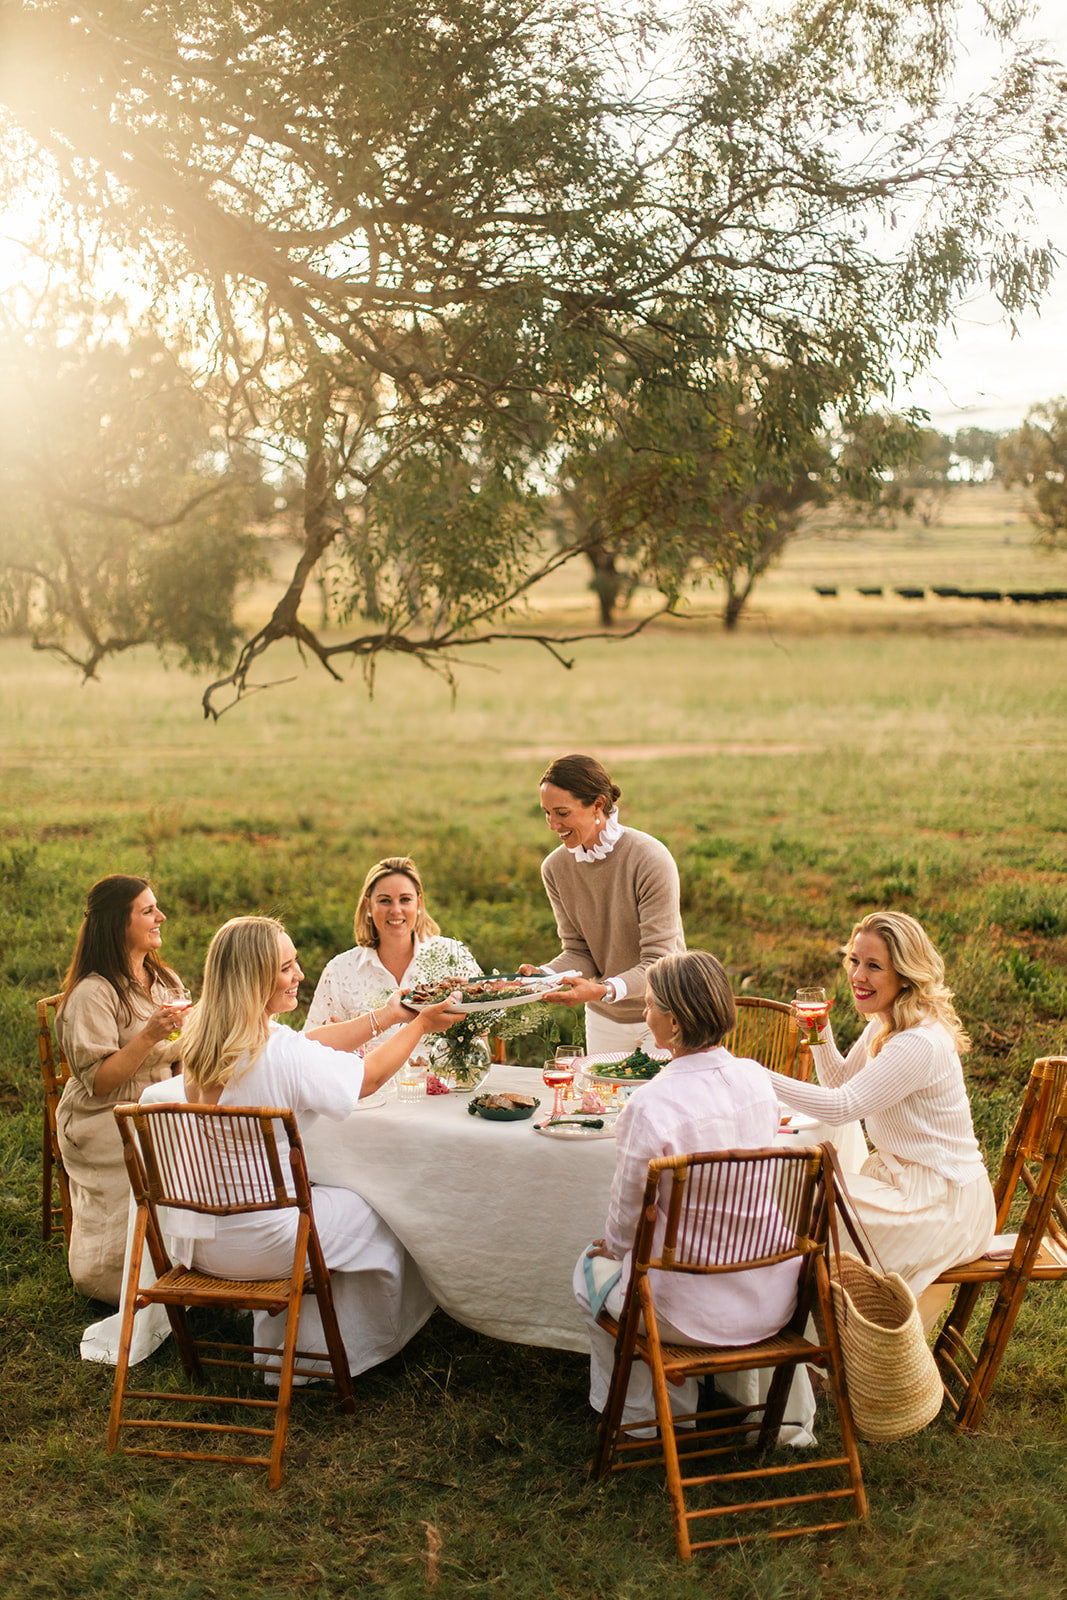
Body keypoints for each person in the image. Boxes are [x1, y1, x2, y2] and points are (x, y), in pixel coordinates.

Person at [178, 916, 461, 1375]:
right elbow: (365, 1079)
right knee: (390, 1212)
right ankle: (337, 1352)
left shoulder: (203, 1043)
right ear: (253, 978)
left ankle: (286, 1349)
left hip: (201, 1240)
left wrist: (388, 1017)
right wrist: (421, 1027)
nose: (300, 975)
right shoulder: (279, 1054)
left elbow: (305, 1043)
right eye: (287, 967)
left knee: (340, 1202)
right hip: (269, 1243)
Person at [573, 951, 811, 1436]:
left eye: (650, 1006)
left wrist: (612, 1249)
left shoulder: (650, 1103)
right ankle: (764, 1414)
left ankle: (646, 1421)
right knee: (635, 1259)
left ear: (675, 1023)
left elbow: (626, 1217)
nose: (644, 1014)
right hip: (772, 1291)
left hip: (683, 1312)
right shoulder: (755, 1079)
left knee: (592, 1268)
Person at [768, 911, 996, 1331]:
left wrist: (755, 1075)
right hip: (909, 1184)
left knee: (803, 1210)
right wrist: (820, 1033)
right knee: (795, 1196)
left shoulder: (917, 1042)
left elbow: (840, 1106)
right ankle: (811, 1339)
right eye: (854, 960)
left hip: (946, 1203)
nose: (858, 975)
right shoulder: (886, 1022)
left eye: (874, 966)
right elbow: (841, 1080)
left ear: (906, 975)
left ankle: (818, 1342)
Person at [55, 874, 191, 1304]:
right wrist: (150, 1036)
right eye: (148, 910)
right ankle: (111, 1281)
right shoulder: (93, 993)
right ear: (119, 923)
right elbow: (98, 1082)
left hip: (160, 1104)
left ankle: (192, 1269)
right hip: (105, 1116)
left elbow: (182, 1047)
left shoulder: (162, 978)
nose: (161, 917)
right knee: (162, 1161)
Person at [522, 753, 685, 1054]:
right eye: (546, 813)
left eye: (562, 813)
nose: (552, 824)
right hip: (604, 1018)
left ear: (597, 805)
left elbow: (658, 961)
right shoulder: (555, 868)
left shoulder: (649, 859)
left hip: (667, 1011)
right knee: (601, 1100)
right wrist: (542, 977)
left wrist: (602, 989)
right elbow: (579, 951)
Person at [305, 856, 480, 1050]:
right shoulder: (339, 971)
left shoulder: (453, 955)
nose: (396, 910)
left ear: (419, 903)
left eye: (405, 899)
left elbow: (481, 1034)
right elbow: (312, 1050)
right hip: (367, 1079)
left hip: (444, 1079)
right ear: (368, 906)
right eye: (385, 901)